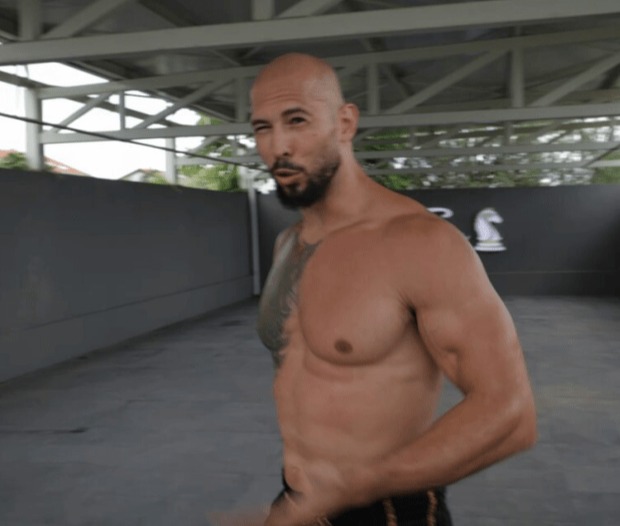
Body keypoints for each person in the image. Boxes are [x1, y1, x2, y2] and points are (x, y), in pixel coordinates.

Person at [247, 53, 536, 526]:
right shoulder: (287, 244)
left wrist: (354, 486)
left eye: (296, 120)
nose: (279, 146)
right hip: (297, 500)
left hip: (386, 511)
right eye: (262, 128)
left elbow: (510, 413)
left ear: (344, 122)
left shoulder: (420, 243)